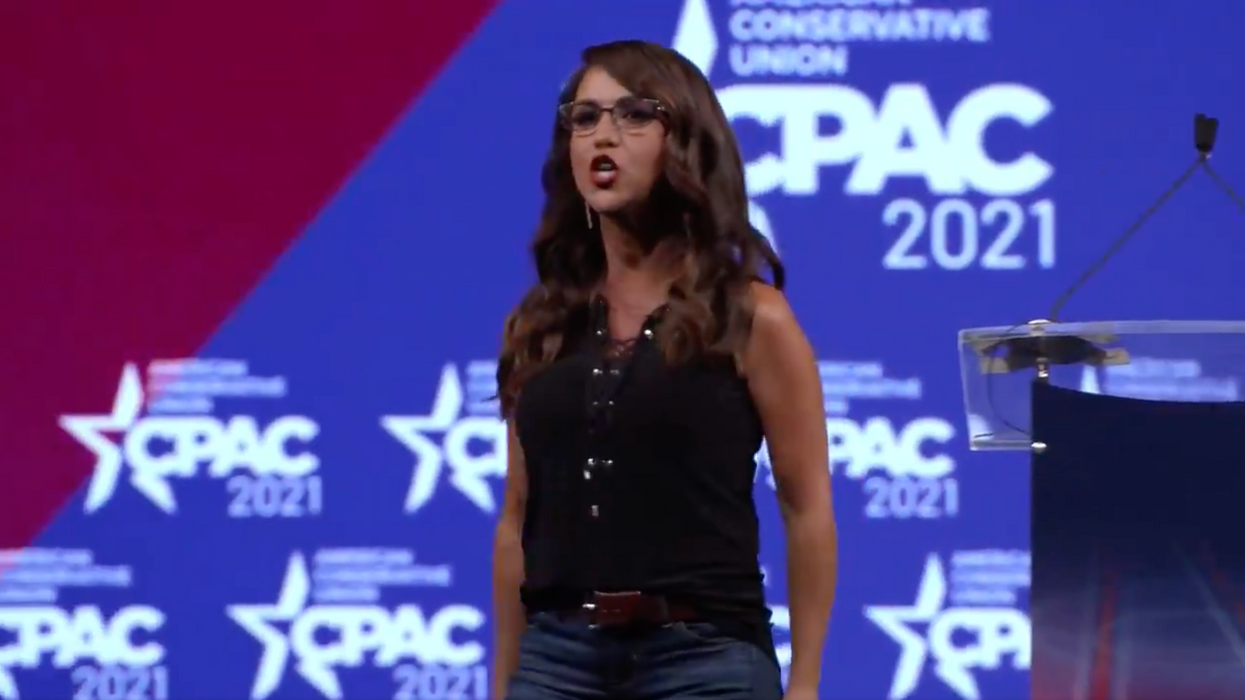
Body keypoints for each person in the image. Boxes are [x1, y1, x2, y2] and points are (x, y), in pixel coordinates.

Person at [492, 39, 837, 700]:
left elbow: (806, 506)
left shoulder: (750, 317)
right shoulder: (540, 323)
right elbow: (516, 519)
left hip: (704, 662)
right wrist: (505, 684)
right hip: (555, 660)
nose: (603, 136)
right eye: (584, 117)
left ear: (685, 143)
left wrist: (806, 686)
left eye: (633, 115)